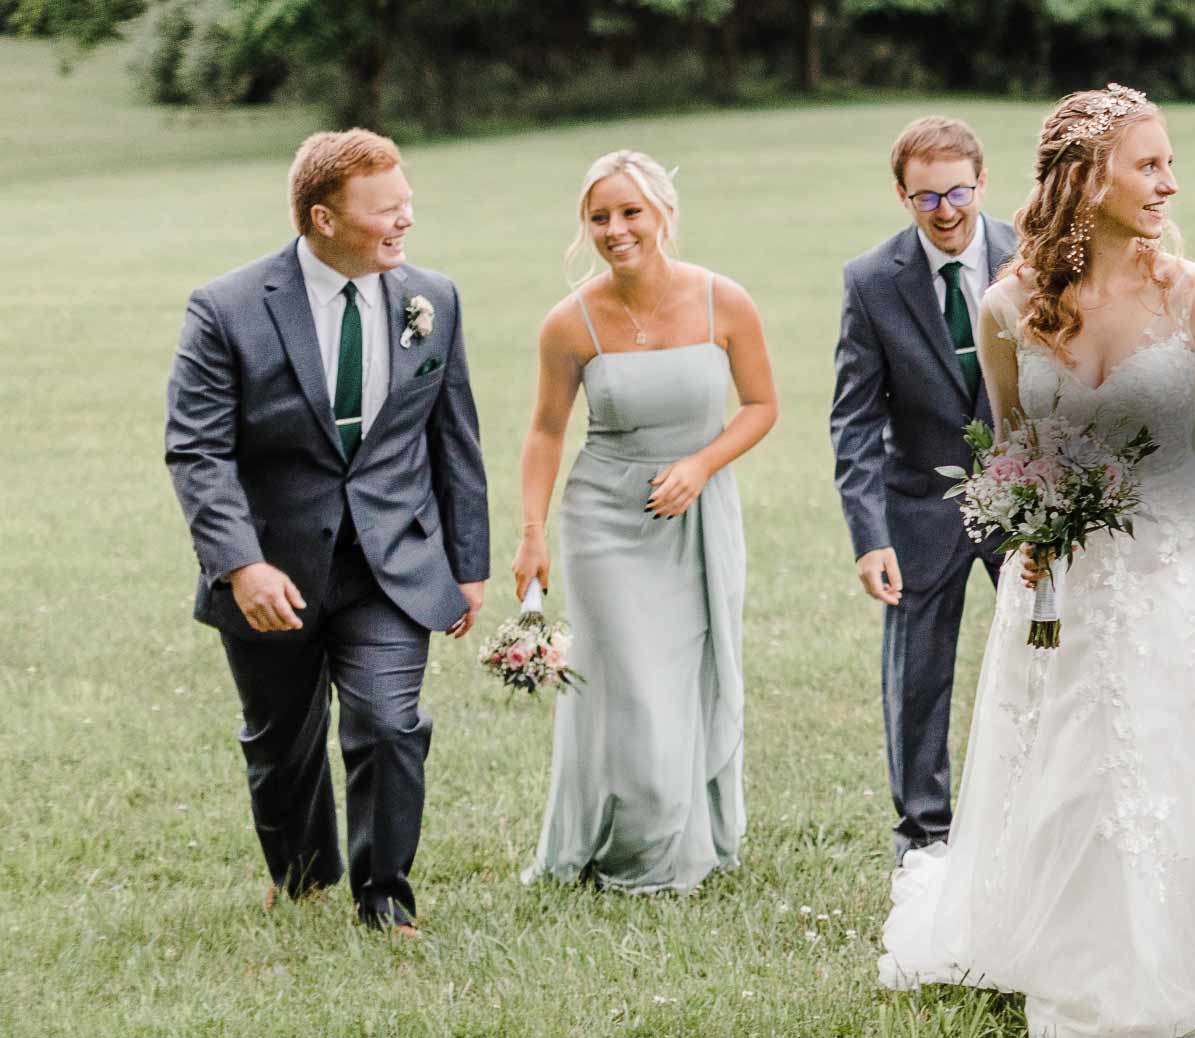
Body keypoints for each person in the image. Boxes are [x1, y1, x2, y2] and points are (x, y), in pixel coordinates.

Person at [877, 85, 1195, 1037]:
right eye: (1150, 163)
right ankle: (1078, 944)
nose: (1169, 181)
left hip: (1181, 562)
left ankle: (1178, 941)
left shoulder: (1192, 292)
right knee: (1076, 759)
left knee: (1171, 749)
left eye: (1169, 162)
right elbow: (1007, 445)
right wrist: (1026, 516)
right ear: (1087, 179)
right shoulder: (1008, 307)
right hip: (1061, 582)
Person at [163, 128, 488, 936]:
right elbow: (197, 449)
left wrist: (469, 563)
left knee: (389, 722)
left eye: (407, 204)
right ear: (322, 218)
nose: (404, 222)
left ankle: (384, 897)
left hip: (391, 565)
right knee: (282, 743)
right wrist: (240, 564)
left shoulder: (433, 299)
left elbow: (454, 438)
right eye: (386, 211)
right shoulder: (227, 308)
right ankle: (303, 873)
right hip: (274, 568)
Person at [514, 150, 778, 894]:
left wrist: (700, 465)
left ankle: (686, 831)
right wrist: (531, 532)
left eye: (630, 212)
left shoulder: (724, 301)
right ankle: (636, 849)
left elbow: (761, 407)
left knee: (686, 676)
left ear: (662, 212)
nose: (615, 229)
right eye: (599, 217)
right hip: (605, 520)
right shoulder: (569, 324)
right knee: (630, 685)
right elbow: (544, 432)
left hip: (699, 515)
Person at [830, 115, 1015, 862]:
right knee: (918, 683)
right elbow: (852, 420)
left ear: (982, 182)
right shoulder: (871, 281)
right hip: (916, 511)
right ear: (902, 196)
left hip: (1027, 507)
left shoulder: (1031, 255)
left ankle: (1037, 815)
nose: (946, 212)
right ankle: (924, 838)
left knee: (1050, 654)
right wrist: (869, 534)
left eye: (958, 193)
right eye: (926, 198)